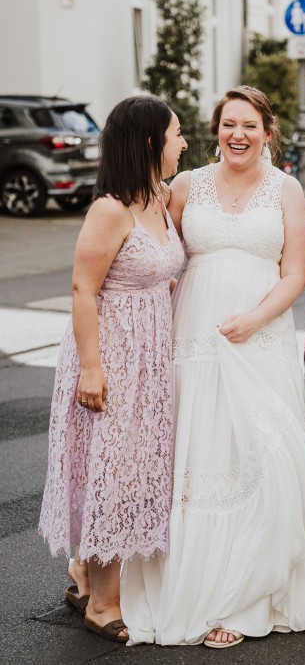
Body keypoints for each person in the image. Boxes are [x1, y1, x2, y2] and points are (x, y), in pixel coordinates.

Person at [121, 86, 305, 647]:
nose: (237, 135)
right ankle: (194, 587)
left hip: (259, 337)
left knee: (260, 451)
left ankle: (246, 598)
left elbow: (295, 272)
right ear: (215, 130)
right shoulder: (186, 185)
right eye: (227, 124)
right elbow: (153, 244)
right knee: (200, 447)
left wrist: (255, 318)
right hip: (193, 334)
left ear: (268, 132)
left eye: (249, 125)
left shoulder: (286, 189)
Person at [38, 95, 187, 643]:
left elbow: (153, 266)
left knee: (130, 467)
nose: (184, 143)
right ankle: (103, 603)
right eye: (176, 134)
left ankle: (83, 574)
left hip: (149, 355)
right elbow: (82, 290)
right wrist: (92, 371)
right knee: (113, 473)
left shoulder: (161, 196)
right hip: (109, 356)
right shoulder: (110, 208)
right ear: (149, 142)